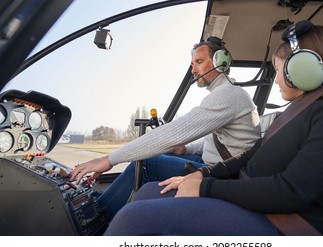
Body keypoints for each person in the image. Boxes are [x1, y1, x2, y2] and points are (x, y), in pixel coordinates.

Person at [103, 20, 323, 236]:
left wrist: (206, 188)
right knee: (151, 191)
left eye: (278, 70)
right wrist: (201, 176)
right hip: (255, 204)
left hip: (282, 225)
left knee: (133, 220)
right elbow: (248, 158)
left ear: (303, 69)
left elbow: (290, 193)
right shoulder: (294, 114)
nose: (275, 79)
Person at [70, 36, 262, 221]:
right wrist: (185, 149)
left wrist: (109, 159)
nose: (193, 70)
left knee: (147, 164)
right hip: (215, 164)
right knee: (158, 157)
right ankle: (101, 204)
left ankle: (99, 217)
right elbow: (211, 142)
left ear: (220, 62)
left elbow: (170, 135)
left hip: (226, 174)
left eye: (199, 62)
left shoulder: (228, 95)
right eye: (192, 63)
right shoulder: (226, 94)